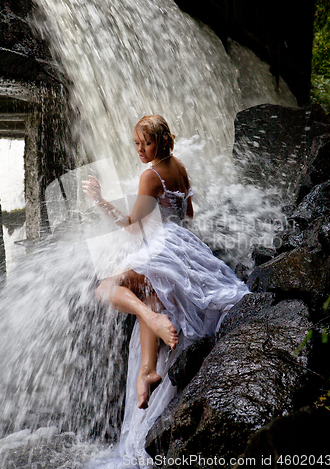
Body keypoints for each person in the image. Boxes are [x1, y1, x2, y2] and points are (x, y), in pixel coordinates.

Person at [82, 114, 249, 412]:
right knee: (151, 292)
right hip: (183, 245)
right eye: (136, 143)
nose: (140, 150)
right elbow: (189, 216)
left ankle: (154, 321)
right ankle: (147, 370)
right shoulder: (180, 168)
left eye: (146, 143)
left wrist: (100, 201)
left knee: (105, 288)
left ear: (161, 142)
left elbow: (133, 226)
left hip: (159, 246)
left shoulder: (150, 175)